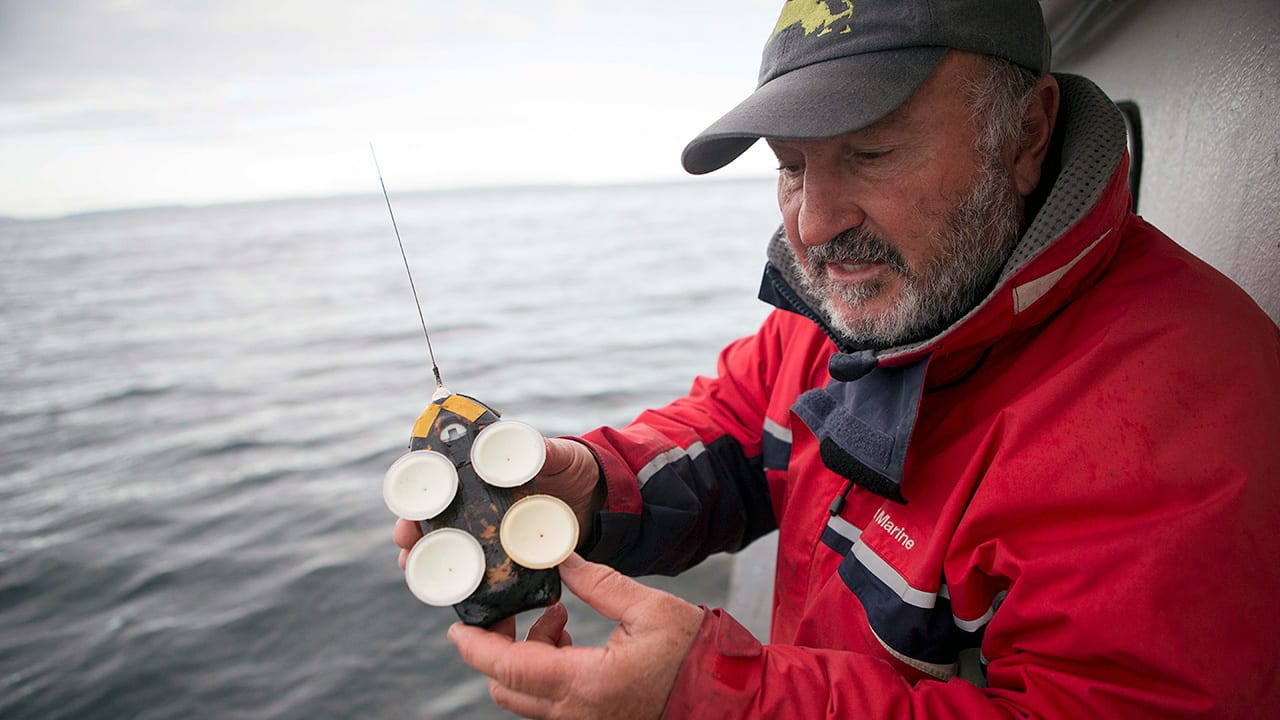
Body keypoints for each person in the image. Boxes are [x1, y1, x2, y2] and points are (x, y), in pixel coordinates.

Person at [393, 1, 1280, 717]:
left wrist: (719, 702)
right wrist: (593, 482)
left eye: (872, 151)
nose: (814, 226)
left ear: (1027, 133)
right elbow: (741, 431)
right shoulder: (865, 303)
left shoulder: (1193, 408)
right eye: (790, 167)